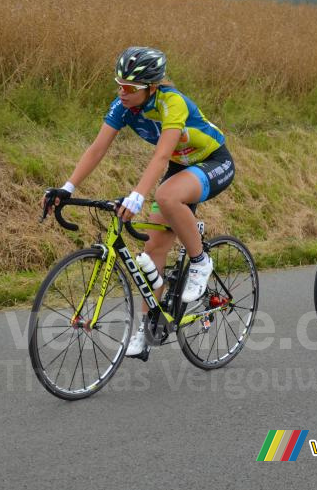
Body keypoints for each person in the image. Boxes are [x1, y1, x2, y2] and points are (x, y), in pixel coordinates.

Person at [46, 46, 235, 359]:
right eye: (119, 85)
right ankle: (149, 329)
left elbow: (161, 155)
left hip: (213, 161)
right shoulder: (123, 107)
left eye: (129, 88)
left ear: (151, 87)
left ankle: (201, 261)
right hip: (180, 167)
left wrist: (137, 196)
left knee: (166, 195)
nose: (122, 92)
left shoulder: (171, 102)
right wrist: (67, 187)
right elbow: (97, 149)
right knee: (152, 250)